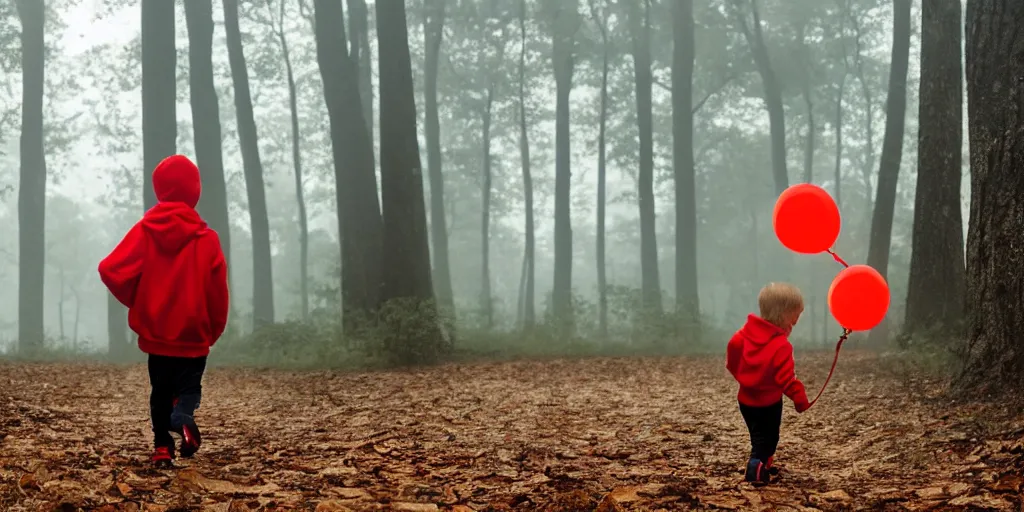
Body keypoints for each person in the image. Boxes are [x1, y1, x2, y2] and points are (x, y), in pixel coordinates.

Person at [98, 154, 230, 467]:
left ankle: (162, 447)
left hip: (157, 334)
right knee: (188, 389)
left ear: (160, 190)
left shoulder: (145, 232)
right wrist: (214, 328)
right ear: (195, 191)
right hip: (194, 335)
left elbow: (110, 269)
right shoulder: (207, 239)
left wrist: (140, 301)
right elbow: (218, 291)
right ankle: (183, 414)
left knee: (159, 391)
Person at [726, 282, 810, 484]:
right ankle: (756, 469)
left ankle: (764, 466)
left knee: (758, 437)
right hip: (769, 404)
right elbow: (786, 379)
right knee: (768, 439)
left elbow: (732, 358)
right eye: (795, 314)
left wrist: (745, 378)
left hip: (745, 400)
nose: (797, 320)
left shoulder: (742, 336)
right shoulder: (781, 346)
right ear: (784, 314)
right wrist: (800, 400)